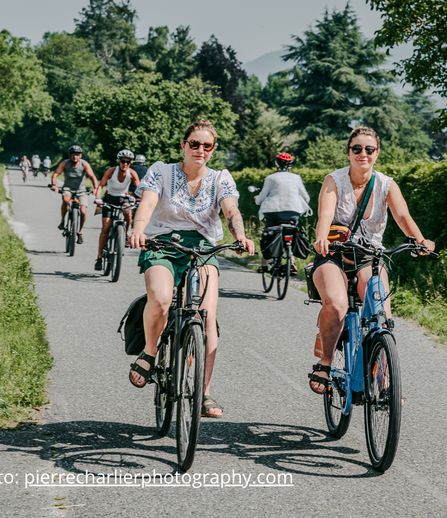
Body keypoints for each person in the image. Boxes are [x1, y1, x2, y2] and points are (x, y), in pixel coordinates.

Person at [127, 120, 255, 418]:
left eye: (206, 146)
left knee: (206, 318)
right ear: (183, 146)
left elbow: (231, 210)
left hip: (203, 249)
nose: (200, 150)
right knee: (159, 298)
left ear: (213, 150)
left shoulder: (221, 178)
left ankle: (204, 392)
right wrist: (138, 228)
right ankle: (149, 352)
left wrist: (240, 235)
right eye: (194, 144)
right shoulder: (162, 170)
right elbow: (147, 203)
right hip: (162, 244)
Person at [308, 126, 435, 394]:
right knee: (338, 304)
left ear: (377, 153)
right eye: (357, 149)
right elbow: (325, 215)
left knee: (380, 310)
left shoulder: (386, 185)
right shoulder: (334, 180)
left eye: (369, 149)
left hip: (370, 256)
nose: (363, 154)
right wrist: (321, 238)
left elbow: (403, 218)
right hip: (334, 255)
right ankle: (326, 362)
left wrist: (420, 240)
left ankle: (383, 371)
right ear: (348, 152)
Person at [254, 152, 311, 273]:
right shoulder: (296, 178)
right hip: (293, 211)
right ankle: (292, 263)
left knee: (268, 233)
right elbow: (306, 198)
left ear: (276, 163)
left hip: (273, 211)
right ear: (291, 164)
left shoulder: (271, 178)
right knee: (292, 232)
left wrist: (257, 200)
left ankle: (264, 264)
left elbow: (262, 197)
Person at [93, 149, 141, 271]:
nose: (125, 164)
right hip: (109, 199)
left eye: (128, 162)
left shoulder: (132, 173)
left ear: (131, 163)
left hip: (122, 199)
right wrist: (98, 198)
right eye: (123, 161)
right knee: (105, 228)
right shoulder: (111, 171)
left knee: (128, 213)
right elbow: (101, 185)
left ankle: (124, 235)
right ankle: (99, 257)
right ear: (119, 161)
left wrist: (142, 198)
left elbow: (140, 187)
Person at [50, 145, 98, 244]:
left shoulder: (84, 164)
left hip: (81, 190)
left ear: (80, 155)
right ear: (69, 155)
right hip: (67, 188)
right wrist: (54, 185)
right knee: (65, 200)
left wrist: (95, 188)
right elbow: (55, 174)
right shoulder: (65, 163)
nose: (75, 157)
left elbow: (92, 176)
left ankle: (79, 231)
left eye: (77, 154)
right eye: (73, 154)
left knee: (83, 211)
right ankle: (63, 220)